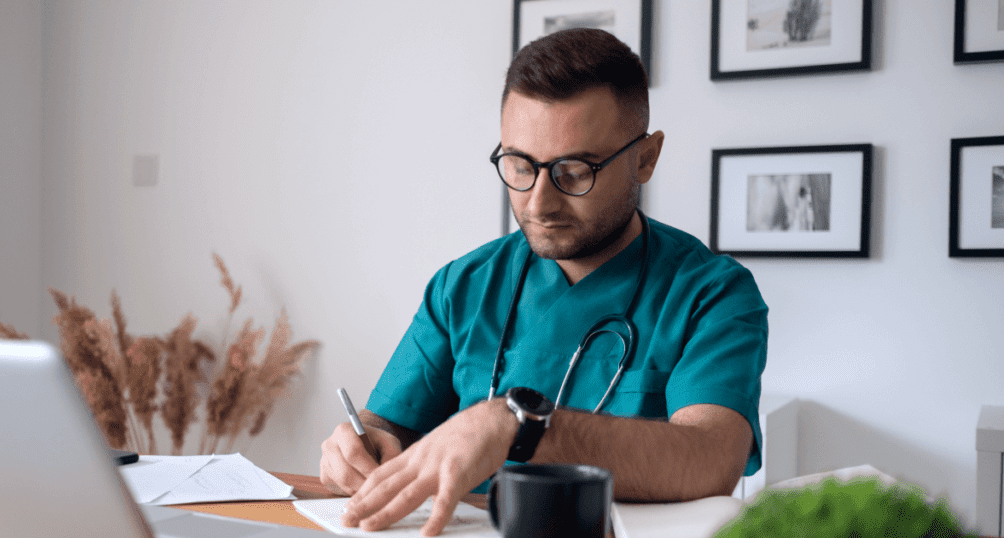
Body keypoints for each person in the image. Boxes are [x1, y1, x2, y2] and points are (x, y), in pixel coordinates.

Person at [319, 28, 768, 536]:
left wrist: (518, 427)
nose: (538, 203)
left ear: (644, 158)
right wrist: (356, 453)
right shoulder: (464, 286)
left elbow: (711, 459)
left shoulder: (712, 294)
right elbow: (387, 430)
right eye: (519, 165)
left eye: (574, 173)